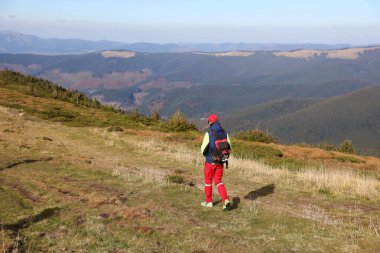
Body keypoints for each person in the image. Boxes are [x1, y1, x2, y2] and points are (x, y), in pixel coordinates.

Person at [200, 114, 232, 211]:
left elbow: (203, 150)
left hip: (210, 162)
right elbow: (229, 148)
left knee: (208, 182)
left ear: (210, 122)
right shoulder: (225, 133)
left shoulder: (208, 134)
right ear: (218, 121)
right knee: (218, 181)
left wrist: (208, 157)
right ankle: (225, 200)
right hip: (221, 162)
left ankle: (209, 201)